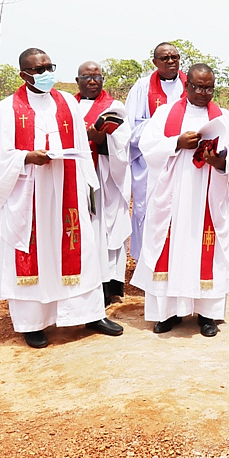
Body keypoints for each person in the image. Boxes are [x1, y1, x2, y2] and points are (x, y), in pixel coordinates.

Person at [0, 48, 123, 348]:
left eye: (50, 67)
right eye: (39, 69)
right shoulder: (7, 109)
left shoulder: (66, 104)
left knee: (79, 248)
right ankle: (33, 322)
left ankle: (90, 313)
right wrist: (26, 157)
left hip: (67, 190)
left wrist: (89, 184)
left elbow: (81, 147)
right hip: (30, 193)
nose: (47, 73)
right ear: (24, 74)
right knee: (36, 252)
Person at [129, 64, 229, 337]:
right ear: (186, 86)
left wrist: (220, 162)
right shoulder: (166, 113)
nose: (204, 92)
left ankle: (208, 314)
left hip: (207, 196)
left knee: (205, 249)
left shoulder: (224, 117)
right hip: (173, 196)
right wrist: (177, 143)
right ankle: (166, 314)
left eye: (209, 87)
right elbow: (147, 146)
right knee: (170, 247)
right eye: (198, 87)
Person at [75, 61, 132, 306]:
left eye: (97, 76)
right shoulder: (68, 105)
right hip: (77, 175)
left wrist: (101, 139)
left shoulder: (114, 106)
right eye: (87, 76)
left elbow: (124, 143)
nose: (92, 81)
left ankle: (109, 284)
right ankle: (83, 282)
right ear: (77, 80)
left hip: (105, 175)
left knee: (107, 228)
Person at [124, 43, 186, 259]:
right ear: (155, 62)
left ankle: (178, 259)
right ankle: (146, 261)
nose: (171, 61)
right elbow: (130, 129)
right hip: (150, 163)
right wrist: (161, 130)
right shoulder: (142, 88)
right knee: (148, 209)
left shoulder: (191, 85)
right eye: (165, 58)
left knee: (181, 209)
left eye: (174, 57)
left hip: (182, 160)